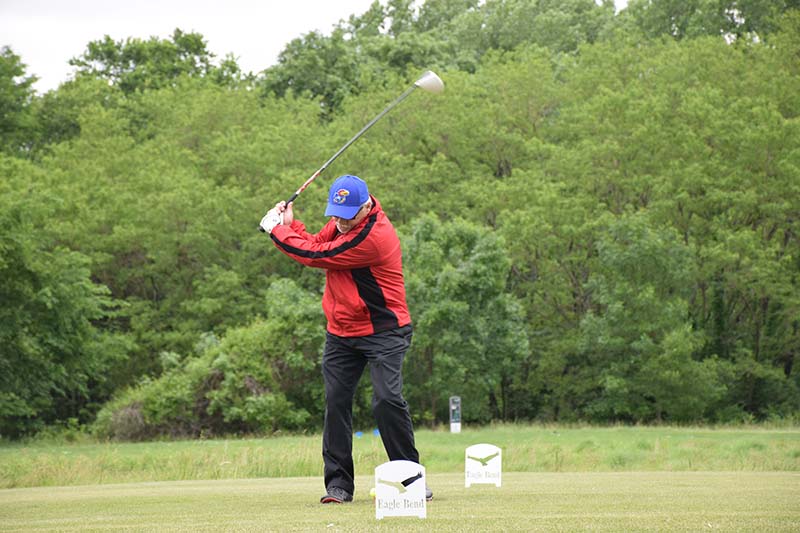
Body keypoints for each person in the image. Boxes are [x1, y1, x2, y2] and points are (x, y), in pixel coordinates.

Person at [260, 174, 431, 504]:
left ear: (365, 207)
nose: (338, 221)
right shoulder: (341, 224)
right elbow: (316, 243)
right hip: (341, 332)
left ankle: (410, 478)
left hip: (385, 330)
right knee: (336, 402)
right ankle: (338, 485)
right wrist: (291, 225)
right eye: (335, 213)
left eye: (346, 214)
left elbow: (318, 257)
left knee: (386, 400)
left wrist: (276, 231)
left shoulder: (374, 237)